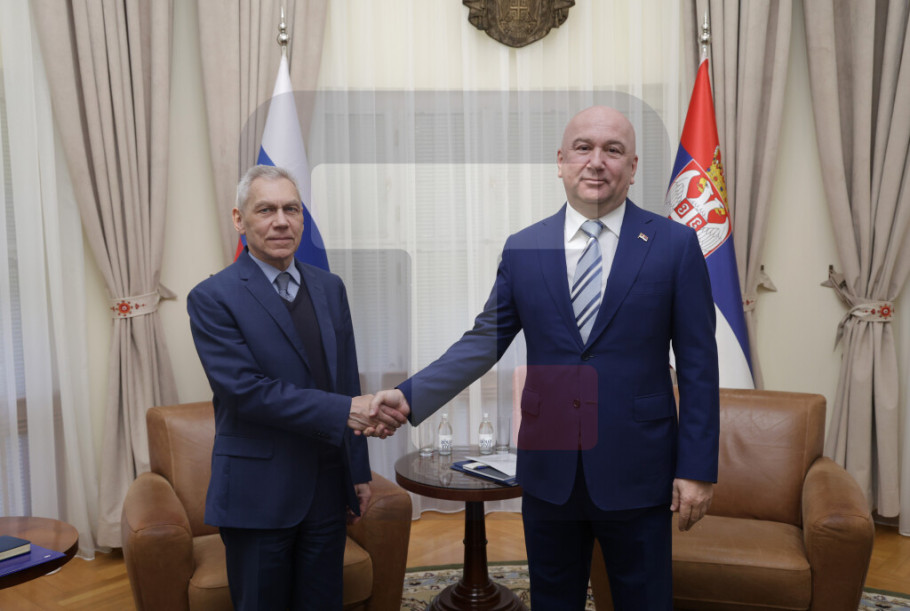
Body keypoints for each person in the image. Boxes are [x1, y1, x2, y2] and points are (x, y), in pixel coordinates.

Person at [370, 106, 720, 610]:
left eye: (613, 150)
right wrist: (408, 398)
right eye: (583, 148)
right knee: (553, 600)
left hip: (639, 468)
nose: (596, 161)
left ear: (633, 167)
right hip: (550, 469)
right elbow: (484, 341)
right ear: (560, 161)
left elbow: (699, 366)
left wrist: (697, 468)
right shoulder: (524, 248)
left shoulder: (675, 245)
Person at [187, 165, 404, 610]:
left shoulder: (330, 288)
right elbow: (246, 392)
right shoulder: (213, 297)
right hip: (257, 493)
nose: (281, 221)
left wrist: (357, 471)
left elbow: (347, 381)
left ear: (303, 218)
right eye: (265, 210)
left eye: (291, 209)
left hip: (326, 488)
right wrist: (344, 412)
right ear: (239, 219)